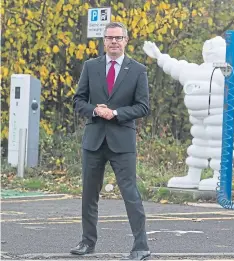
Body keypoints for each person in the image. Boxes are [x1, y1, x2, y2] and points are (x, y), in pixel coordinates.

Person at [71, 22, 151, 260]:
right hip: (94, 140)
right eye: (109, 38)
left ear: (126, 40)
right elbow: (78, 102)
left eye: (118, 38)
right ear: (104, 41)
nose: (114, 42)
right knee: (89, 194)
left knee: (130, 194)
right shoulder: (90, 66)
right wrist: (96, 110)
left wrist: (115, 113)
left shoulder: (137, 70)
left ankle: (141, 246)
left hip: (122, 142)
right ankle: (87, 242)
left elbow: (143, 106)